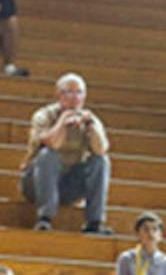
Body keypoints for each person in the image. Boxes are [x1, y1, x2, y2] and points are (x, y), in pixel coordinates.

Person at [21, 73, 111, 234]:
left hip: (69, 184)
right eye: (69, 92)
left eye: (79, 92)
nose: (75, 97)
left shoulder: (90, 118)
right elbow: (53, 144)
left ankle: (94, 222)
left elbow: (101, 150)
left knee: (101, 161)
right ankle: (44, 219)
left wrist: (90, 125)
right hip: (37, 183)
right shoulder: (44, 115)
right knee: (48, 155)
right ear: (58, 95)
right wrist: (62, 122)